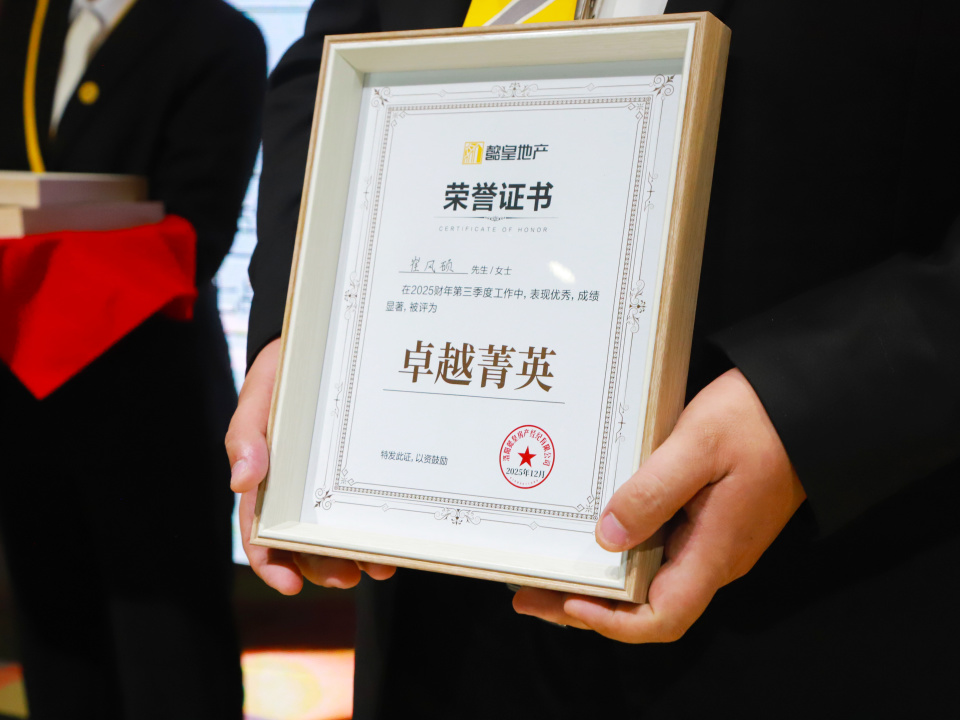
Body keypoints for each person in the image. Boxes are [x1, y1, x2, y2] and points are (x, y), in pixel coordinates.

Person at [228, 0, 960, 717]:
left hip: (821, 570)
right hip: (434, 580)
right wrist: (306, 322)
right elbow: (334, 57)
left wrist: (811, 403)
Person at [0, 1, 265, 717]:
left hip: (152, 405)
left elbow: (196, 236)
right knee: (55, 648)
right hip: (24, 399)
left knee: (171, 659)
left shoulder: (218, 36)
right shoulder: (19, 22)